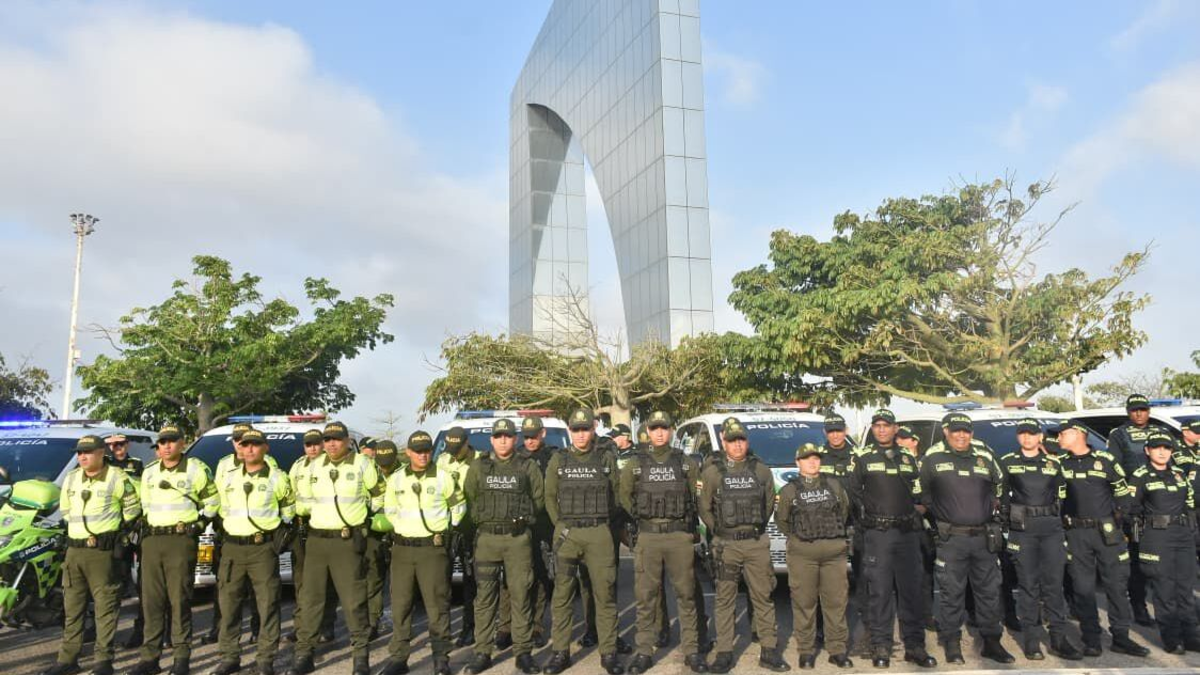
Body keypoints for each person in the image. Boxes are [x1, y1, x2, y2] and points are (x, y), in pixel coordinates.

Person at [288, 422, 384, 675]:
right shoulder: (314, 465)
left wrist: (364, 519)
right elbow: (303, 500)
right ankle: (304, 655)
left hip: (347, 541)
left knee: (354, 602)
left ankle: (360, 658)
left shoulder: (363, 464)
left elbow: (379, 495)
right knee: (311, 600)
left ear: (347, 440)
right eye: (327, 439)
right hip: (317, 541)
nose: (331, 444)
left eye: (336, 439)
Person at [41, 435, 141, 675]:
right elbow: (66, 509)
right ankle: (68, 660)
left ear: (101, 453)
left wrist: (116, 533)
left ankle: (103, 661)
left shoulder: (117, 477)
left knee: (105, 609)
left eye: (87, 452)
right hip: (74, 551)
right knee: (72, 609)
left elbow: (132, 508)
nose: (82, 457)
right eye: (79, 453)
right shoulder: (72, 477)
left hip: (102, 552)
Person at [918, 412, 1013, 664]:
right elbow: (921, 493)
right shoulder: (933, 458)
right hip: (951, 539)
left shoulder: (985, 456)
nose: (961, 435)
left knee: (989, 592)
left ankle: (991, 641)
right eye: (956, 430)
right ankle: (951, 643)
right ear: (946, 432)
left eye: (966, 431)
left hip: (983, 538)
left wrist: (997, 512)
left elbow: (1001, 484)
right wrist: (936, 516)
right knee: (951, 593)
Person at [697, 417, 789, 673]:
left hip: (756, 544)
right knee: (725, 599)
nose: (737, 445)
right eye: (732, 441)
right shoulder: (712, 472)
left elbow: (768, 505)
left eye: (741, 440)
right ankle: (724, 652)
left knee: (763, 596)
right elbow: (704, 507)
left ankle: (769, 651)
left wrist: (754, 529)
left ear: (747, 442)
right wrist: (719, 531)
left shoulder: (761, 470)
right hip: (726, 546)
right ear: (724, 443)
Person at [619, 410, 708, 675]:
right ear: (648, 431)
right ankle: (644, 651)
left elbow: (697, 496)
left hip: (679, 536)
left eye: (664, 428)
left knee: (687, 595)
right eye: (655, 428)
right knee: (645, 597)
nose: (659, 432)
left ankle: (692, 650)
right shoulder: (635, 464)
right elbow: (625, 497)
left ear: (670, 430)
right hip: (648, 536)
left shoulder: (686, 463)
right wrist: (643, 519)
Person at [847, 411, 936, 669]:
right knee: (880, 593)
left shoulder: (908, 457)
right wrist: (867, 518)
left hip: (907, 533)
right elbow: (853, 493)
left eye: (886, 425)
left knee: (911, 592)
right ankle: (881, 646)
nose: (882, 430)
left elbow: (919, 489)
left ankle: (915, 647)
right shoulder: (863, 457)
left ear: (895, 428)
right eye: (877, 426)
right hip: (879, 535)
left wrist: (921, 506)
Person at [129, 425, 219, 675]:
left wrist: (199, 524)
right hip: (152, 540)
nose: (167, 446)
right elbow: (144, 506)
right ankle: (150, 658)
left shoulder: (195, 469)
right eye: (163, 442)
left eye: (172, 441)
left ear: (182, 443)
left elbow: (213, 501)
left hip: (180, 541)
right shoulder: (149, 472)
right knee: (151, 602)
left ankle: (181, 658)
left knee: (179, 600)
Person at [1058, 419, 1149, 657]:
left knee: (1116, 585)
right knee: (1083, 588)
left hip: (1107, 533)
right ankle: (1091, 639)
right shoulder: (1060, 464)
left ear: (1078, 434)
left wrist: (1119, 519)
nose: (1058, 438)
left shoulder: (1106, 460)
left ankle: (1121, 637)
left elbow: (1123, 493)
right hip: (1076, 533)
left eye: (1062, 434)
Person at [543, 409, 624, 675]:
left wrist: (603, 524)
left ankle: (609, 652)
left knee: (605, 594)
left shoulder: (605, 458)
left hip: (599, 533)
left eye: (585, 429)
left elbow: (616, 495)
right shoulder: (559, 459)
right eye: (576, 430)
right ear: (570, 431)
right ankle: (560, 653)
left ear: (593, 429)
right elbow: (549, 497)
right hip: (567, 534)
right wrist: (560, 524)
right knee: (562, 596)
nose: (580, 435)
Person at [209, 428, 295, 675]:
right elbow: (218, 507)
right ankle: (229, 657)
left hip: (262, 549)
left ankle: (266, 659)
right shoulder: (228, 478)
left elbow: (289, 508)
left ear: (265, 448)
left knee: (268, 605)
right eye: (245, 444)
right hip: (232, 548)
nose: (249, 449)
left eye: (255, 444)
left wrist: (280, 534)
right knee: (229, 606)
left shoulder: (277, 478)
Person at [379, 431, 466, 675]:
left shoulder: (443, 477)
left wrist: (448, 529)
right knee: (401, 605)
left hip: (432, 550)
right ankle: (399, 658)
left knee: (437, 605)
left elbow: (458, 506)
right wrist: (403, 528)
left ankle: (440, 658)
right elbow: (390, 509)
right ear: (408, 452)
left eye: (427, 450)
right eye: (418, 451)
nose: (423, 455)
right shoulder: (396, 479)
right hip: (403, 549)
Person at [462, 419, 543, 675]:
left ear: (515, 439)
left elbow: (538, 500)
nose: (503, 440)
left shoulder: (527, 465)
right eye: (498, 436)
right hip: (487, 539)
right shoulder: (479, 466)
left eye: (508, 436)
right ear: (492, 440)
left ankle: (523, 652)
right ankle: (482, 652)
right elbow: (470, 496)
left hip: (517, 540)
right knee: (485, 598)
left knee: (521, 596)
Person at [998, 418, 1082, 660]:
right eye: (1023, 433)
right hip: (1023, 530)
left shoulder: (1053, 463)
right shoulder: (1008, 462)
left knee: (1054, 585)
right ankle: (1032, 641)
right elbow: (1000, 497)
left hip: (1051, 529)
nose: (1027, 437)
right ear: (1018, 436)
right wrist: (1006, 523)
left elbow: (1063, 495)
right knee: (1028, 586)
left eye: (1032, 433)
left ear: (1040, 437)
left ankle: (1058, 639)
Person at [778, 443, 852, 669]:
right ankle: (806, 650)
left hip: (834, 554)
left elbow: (844, 511)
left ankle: (837, 649)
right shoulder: (789, 490)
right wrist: (801, 539)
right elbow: (782, 521)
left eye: (816, 458)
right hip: (803, 555)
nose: (812, 462)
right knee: (804, 602)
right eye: (806, 458)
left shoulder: (834, 485)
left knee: (836, 602)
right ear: (797, 462)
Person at [1128, 431, 1200, 653]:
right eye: (1156, 447)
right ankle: (1172, 638)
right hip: (1157, 536)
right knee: (1164, 588)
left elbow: (1189, 504)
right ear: (1147, 450)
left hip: (1183, 535)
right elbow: (1130, 509)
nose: (1162, 452)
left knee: (1185, 588)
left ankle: (1191, 636)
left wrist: (1192, 532)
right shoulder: (1140, 476)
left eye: (1166, 448)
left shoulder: (1179, 474)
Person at [494, 415, 558, 648]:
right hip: (515, 525)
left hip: (542, 525)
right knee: (509, 577)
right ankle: (506, 627)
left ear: (543, 433)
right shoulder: (516, 456)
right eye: (526, 436)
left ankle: (536, 626)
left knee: (540, 576)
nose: (530, 441)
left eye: (534, 436)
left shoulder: (553, 457)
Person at [206, 423, 268, 646]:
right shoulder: (224, 464)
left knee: (256, 590)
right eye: (237, 440)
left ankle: (257, 629)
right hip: (228, 532)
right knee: (225, 587)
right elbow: (217, 495)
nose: (242, 444)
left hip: (256, 537)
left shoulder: (268, 464)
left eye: (246, 440)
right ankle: (219, 628)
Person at [1107, 394, 1163, 626]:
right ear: (1128, 412)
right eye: (1134, 410)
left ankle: (1173, 608)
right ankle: (1139, 606)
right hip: (1134, 503)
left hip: (1160, 502)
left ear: (1149, 410)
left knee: (1164, 559)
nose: (1139, 413)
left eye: (1143, 409)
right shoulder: (1119, 434)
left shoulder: (1160, 432)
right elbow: (1115, 468)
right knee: (1138, 559)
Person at [286, 430, 336, 645]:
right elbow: (290, 494)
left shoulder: (330, 465)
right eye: (308, 444)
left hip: (324, 526)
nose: (313, 448)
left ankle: (326, 625)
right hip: (301, 526)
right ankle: (301, 625)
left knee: (326, 580)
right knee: (301, 581)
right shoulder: (298, 466)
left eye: (316, 444)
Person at [436, 426, 479, 648]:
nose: (453, 454)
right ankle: (441, 633)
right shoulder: (443, 460)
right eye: (450, 449)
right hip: (447, 526)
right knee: (443, 580)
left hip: (473, 527)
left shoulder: (480, 460)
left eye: (457, 449)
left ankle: (469, 628)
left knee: (471, 581)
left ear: (466, 443)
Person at [367, 439, 403, 639]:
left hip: (400, 532)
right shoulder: (370, 472)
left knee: (399, 583)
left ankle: (401, 624)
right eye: (381, 463)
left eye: (388, 463)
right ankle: (372, 622)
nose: (385, 467)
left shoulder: (405, 473)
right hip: (374, 532)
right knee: (373, 578)